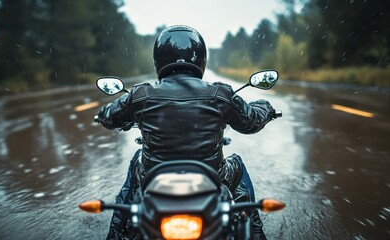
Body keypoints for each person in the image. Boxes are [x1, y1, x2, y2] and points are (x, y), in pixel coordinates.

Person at [97, 25, 276, 240]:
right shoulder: (221, 94)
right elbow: (251, 121)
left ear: (159, 59)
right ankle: (256, 233)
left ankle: (116, 234)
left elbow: (108, 116)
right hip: (213, 178)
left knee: (134, 170)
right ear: (201, 58)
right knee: (237, 164)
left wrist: (123, 117)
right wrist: (266, 106)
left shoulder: (140, 94)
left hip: (154, 179)